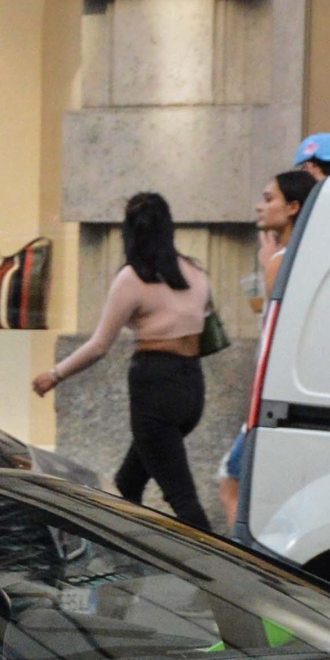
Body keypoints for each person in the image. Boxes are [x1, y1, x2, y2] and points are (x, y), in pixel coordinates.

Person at [30, 191, 216, 530]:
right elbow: (204, 319)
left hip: (155, 387)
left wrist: (55, 375)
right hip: (192, 388)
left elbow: (100, 345)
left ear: (128, 233)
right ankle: (127, 556)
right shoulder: (196, 272)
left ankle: (226, 574)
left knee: (182, 498)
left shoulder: (132, 279)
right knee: (128, 484)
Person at [251, 170, 311, 311]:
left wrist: (271, 263)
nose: (258, 207)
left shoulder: (279, 263)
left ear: (293, 207)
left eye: (268, 199)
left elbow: (278, 320)